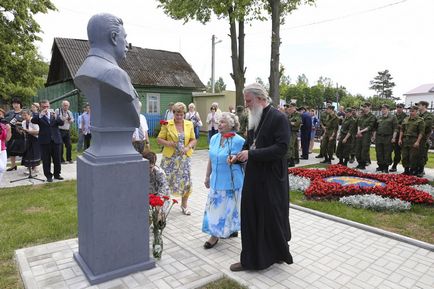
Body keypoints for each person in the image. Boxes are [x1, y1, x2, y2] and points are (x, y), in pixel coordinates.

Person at [229, 83, 292, 272]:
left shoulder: (279, 118)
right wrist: (239, 155)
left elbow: (282, 148)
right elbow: (250, 144)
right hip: (255, 176)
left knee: (272, 217)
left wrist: (251, 155)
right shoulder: (253, 117)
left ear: (260, 99)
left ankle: (277, 253)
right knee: (251, 215)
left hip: (272, 178)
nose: (246, 105)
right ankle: (250, 258)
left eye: (248, 101)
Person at [202, 112, 244, 249]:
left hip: (231, 181)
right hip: (216, 180)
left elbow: (244, 161)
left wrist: (235, 159)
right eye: (219, 122)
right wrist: (207, 176)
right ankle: (217, 232)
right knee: (216, 208)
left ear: (231, 125)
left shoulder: (239, 141)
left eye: (223, 122)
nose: (219, 124)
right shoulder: (214, 138)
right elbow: (211, 158)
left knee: (229, 208)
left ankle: (216, 236)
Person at [157, 102, 197, 215]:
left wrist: (188, 146)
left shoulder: (189, 124)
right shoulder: (167, 124)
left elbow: (194, 139)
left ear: (184, 114)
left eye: (181, 114)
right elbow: (159, 140)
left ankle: (184, 205)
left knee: (186, 181)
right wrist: (170, 143)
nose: (179, 117)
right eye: (177, 114)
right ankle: (163, 206)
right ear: (173, 113)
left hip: (184, 158)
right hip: (170, 159)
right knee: (166, 181)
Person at [31, 100, 64, 182]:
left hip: (56, 140)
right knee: (46, 160)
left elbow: (61, 123)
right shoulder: (39, 116)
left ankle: (57, 174)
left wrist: (56, 117)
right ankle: (48, 176)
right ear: (40, 107)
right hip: (44, 141)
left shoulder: (54, 114)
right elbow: (33, 121)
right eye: (44, 107)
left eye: (47, 106)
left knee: (57, 159)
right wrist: (41, 115)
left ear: (49, 106)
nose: (46, 108)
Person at [399, 106, 424, 175]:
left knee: (413, 156)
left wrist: (418, 141)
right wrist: (400, 139)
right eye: (410, 111)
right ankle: (406, 170)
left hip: (414, 140)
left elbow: (421, 132)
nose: (411, 112)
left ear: (416, 111)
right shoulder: (406, 119)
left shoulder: (420, 120)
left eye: (413, 111)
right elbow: (402, 130)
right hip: (405, 140)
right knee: (404, 156)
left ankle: (412, 170)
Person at [372, 104, 398, 173]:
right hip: (379, 137)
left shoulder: (393, 117)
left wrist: (394, 137)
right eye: (382, 109)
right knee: (379, 152)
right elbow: (375, 128)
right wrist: (374, 136)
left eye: (385, 109)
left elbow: (395, 128)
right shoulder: (379, 117)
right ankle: (380, 166)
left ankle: (386, 167)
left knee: (387, 152)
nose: (383, 110)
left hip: (388, 137)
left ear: (388, 109)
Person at [5, 97, 25, 171]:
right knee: (11, 149)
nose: (15, 105)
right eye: (14, 104)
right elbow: (5, 120)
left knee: (24, 149)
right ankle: (13, 165)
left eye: (17, 103)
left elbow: (28, 120)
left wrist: (18, 123)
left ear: (20, 104)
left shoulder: (24, 112)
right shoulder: (9, 113)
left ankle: (28, 165)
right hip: (11, 133)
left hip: (21, 134)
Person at [355, 103, 376, 170]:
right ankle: (359, 163)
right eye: (364, 107)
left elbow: (370, 127)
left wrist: (361, 131)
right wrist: (358, 131)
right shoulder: (362, 116)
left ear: (370, 107)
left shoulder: (372, 117)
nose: (364, 108)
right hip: (359, 134)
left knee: (364, 150)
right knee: (357, 150)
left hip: (366, 135)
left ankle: (363, 164)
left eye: (366, 107)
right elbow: (359, 124)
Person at [416, 101, 433, 177]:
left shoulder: (428, 116)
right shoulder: (418, 115)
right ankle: (416, 168)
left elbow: (425, 126)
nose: (418, 107)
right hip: (416, 136)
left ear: (424, 106)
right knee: (416, 154)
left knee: (422, 154)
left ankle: (421, 170)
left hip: (424, 137)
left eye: (419, 105)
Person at [390, 103, 407, 172]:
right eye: (397, 107)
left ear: (403, 108)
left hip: (399, 137)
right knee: (388, 151)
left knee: (397, 152)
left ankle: (394, 165)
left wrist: (397, 125)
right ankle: (386, 164)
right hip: (391, 135)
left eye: (400, 107)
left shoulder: (405, 117)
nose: (398, 108)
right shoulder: (393, 116)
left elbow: (404, 127)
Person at [0, 109, 12, 184]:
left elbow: (7, 138)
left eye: (1, 114)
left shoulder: (3, 125)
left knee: (3, 168)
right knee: (1, 167)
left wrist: (9, 130)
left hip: (3, 148)